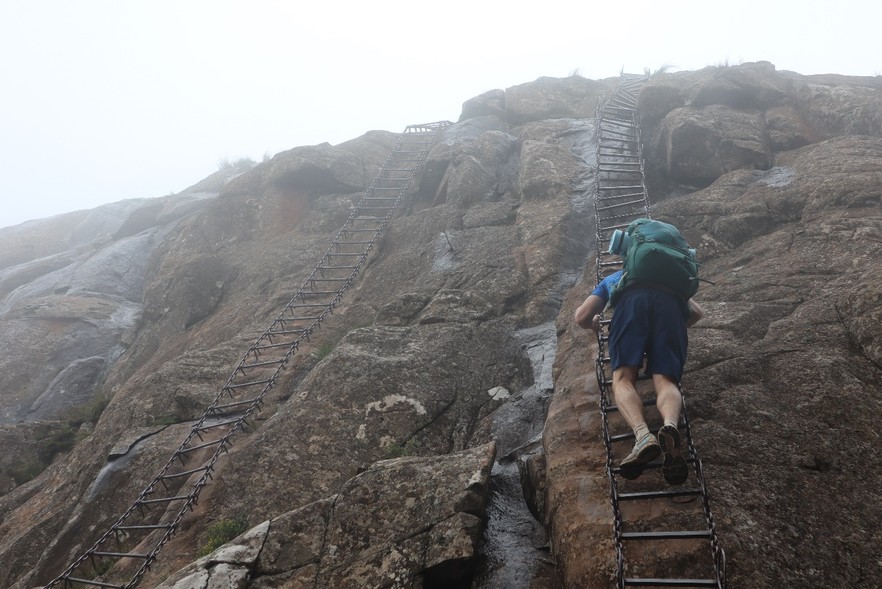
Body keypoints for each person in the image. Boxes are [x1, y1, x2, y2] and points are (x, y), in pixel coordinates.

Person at [574, 269, 704, 484]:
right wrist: (673, 328)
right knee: (666, 380)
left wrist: (593, 324)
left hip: (630, 308)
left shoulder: (616, 277)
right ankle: (670, 425)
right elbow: (697, 313)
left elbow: (581, 317)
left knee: (623, 379)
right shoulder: (667, 274)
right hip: (670, 307)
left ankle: (643, 436)